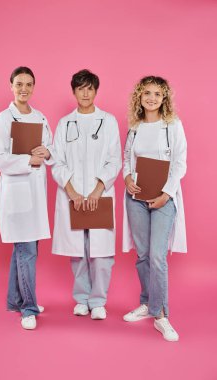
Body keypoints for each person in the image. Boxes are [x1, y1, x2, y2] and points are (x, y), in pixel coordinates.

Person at [52, 69, 121, 320]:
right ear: (73, 91)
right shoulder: (64, 123)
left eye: (90, 88)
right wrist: (71, 192)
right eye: (80, 88)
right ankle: (82, 299)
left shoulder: (109, 121)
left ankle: (99, 301)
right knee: (78, 252)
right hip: (73, 197)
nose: (85, 92)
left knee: (101, 254)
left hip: (99, 196)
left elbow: (115, 160)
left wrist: (97, 190)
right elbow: (57, 162)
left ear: (95, 91)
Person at [0, 66, 54, 330]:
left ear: (34, 87)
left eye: (28, 84)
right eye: (19, 84)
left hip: (36, 195)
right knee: (26, 251)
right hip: (16, 196)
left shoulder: (40, 117)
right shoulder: (3, 119)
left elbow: (51, 148)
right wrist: (29, 159)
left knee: (26, 250)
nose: (24, 89)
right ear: (11, 86)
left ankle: (16, 300)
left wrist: (45, 152)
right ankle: (28, 308)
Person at [122, 76, 187, 341]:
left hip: (164, 198)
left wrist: (166, 194)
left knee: (158, 257)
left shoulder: (172, 126)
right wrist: (127, 179)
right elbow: (127, 159)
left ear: (164, 99)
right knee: (143, 255)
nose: (151, 98)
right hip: (136, 198)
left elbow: (180, 163)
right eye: (146, 93)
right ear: (139, 96)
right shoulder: (135, 126)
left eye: (157, 94)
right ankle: (147, 304)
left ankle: (161, 315)